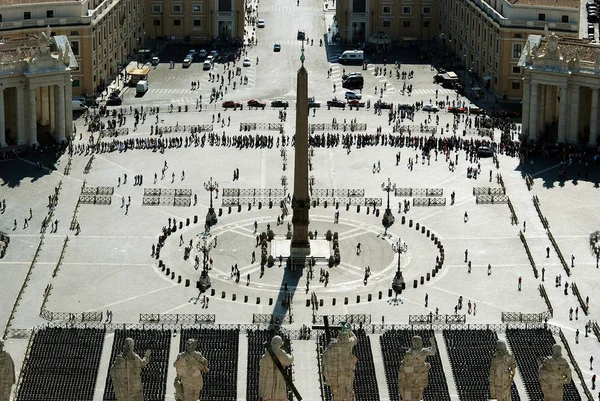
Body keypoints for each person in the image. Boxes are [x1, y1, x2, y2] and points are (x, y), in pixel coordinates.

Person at [322, 323, 357, 401]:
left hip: (337, 375)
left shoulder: (333, 345)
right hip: (347, 373)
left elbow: (325, 357)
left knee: (338, 394)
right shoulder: (349, 343)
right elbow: (355, 339)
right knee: (349, 393)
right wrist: (350, 331)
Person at [398, 336, 436, 401]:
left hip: (410, 375)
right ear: (419, 342)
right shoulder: (423, 351)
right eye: (420, 341)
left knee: (411, 390)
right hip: (419, 374)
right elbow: (433, 352)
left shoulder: (408, 353)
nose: (421, 342)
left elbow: (404, 363)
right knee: (417, 390)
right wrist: (433, 343)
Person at [259, 336, 294, 401]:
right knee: (279, 388)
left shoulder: (267, 354)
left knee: (270, 388)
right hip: (279, 374)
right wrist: (290, 356)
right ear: (280, 344)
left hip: (269, 375)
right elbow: (288, 361)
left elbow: (261, 363)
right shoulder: (281, 353)